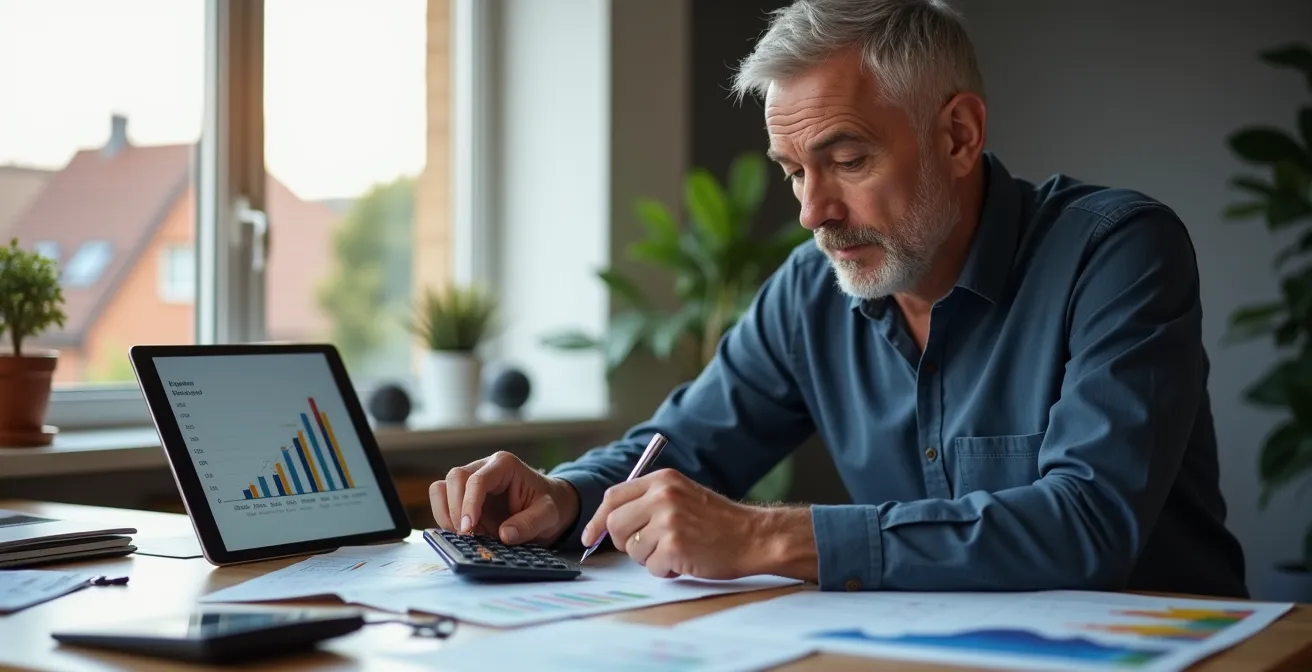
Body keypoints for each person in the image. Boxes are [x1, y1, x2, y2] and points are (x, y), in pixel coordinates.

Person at [429, 0, 1249, 598]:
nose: (811, 212)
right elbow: (681, 447)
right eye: (793, 170)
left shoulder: (1117, 250)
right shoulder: (809, 290)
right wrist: (564, 495)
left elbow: (1086, 525)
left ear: (958, 136)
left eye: (846, 160)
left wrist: (761, 534)